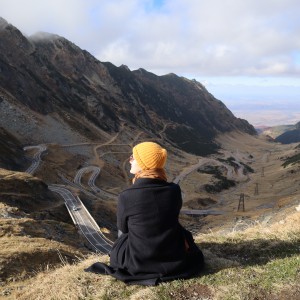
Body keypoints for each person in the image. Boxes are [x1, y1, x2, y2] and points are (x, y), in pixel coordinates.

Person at [85, 141, 205, 285]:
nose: (130, 160)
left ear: (144, 164)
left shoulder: (126, 196)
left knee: (122, 234)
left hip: (138, 262)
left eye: (134, 157)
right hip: (173, 256)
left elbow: (123, 229)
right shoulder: (174, 190)